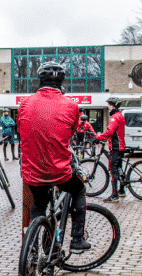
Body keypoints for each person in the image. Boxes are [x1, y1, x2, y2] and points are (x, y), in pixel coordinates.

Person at [17, 61, 90, 252]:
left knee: (39, 203)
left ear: (40, 80)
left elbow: (21, 130)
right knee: (78, 189)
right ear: (61, 82)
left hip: (32, 171)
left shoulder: (25, 104)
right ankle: (77, 239)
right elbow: (70, 135)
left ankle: (31, 249)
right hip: (59, 171)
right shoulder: (72, 107)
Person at [96, 97, 126, 202]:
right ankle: (122, 190)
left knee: (113, 170)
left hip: (115, 147)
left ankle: (114, 195)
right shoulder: (120, 115)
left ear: (113, 106)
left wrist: (98, 138)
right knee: (119, 169)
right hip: (121, 146)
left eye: (109, 105)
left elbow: (109, 131)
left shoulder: (114, 117)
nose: (108, 107)